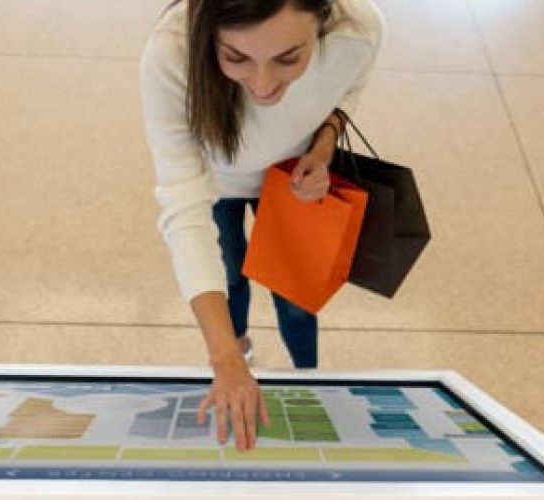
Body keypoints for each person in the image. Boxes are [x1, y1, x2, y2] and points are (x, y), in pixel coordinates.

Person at [140, 0, 384, 452]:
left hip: (291, 179)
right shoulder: (171, 53)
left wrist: (325, 144)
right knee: (228, 278)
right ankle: (242, 349)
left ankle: (306, 375)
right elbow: (183, 205)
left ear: (323, 21)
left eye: (289, 58)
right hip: (213, 184)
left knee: (295, 298)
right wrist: (225, 359)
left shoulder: (359, 29)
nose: (263, 85)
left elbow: (349, 88)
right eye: (235, 58)